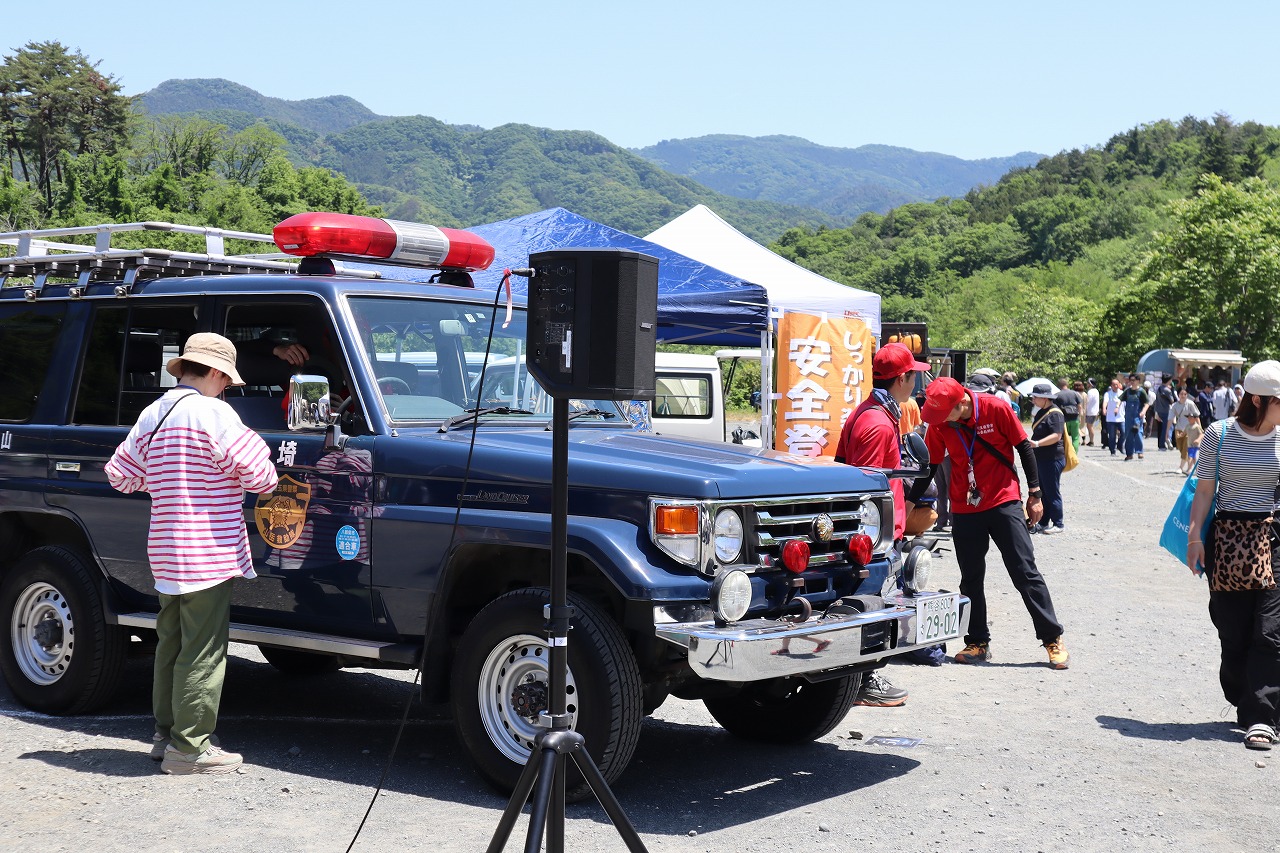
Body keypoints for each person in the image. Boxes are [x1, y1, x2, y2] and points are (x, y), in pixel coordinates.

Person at [105, 333, 280, 774]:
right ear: (217, 373)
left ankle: (166, 736)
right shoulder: (215, 413)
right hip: (208, 550)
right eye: (227, 381)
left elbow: (120, 475)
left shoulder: (154, 412)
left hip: (166, 550)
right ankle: (191, 749)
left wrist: (167, 481)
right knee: (203, 649)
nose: (226, 389)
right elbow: (262, 477)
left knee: (172, 643)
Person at [906, 377, 1069, 669]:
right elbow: (930, 466)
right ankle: (978, 642)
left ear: (961, 403)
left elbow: (1024, 447)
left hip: (1003, 501)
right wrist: (908, 505)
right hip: (965, 507)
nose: (937, 420)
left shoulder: (996, 408)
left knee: (1024, 571)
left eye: (942, 413)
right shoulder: (941, 424)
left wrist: (1035, 495)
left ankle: (1052, 639)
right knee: (970, 577)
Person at [1186, 360, 1280, 751]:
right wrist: (1195, 537)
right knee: (1233, 631)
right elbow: (1205, 490)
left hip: (1273, 537)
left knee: (1270, 631)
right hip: (1227, 538)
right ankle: (1246, 699)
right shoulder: (1219, 433)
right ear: (1257, 399)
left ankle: (1262, 717)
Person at [833, 342, 930, 707]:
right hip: (876, 537)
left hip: (879, 534)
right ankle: (863, 680)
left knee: (872, 602)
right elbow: (868, 490)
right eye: (913, 375)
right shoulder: (876, 421)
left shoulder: (874, 412)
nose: (916, 382)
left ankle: (858, 678)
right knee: (872, 603)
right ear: (901, 378)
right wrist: (877, 539)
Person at [1028, 384, 1067, 534]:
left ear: (1045, 398)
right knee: (1043, 491)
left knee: (1052, 491)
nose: (1033, 400)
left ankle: (1058, 523)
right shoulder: (1041, 412)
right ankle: (1044, 522)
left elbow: (1056, 436)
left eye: (1035, 397)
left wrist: (1037, 443)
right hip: (1042, 458)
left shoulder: (1055, 413)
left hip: (1052, 458)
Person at [1168, 387, 1201, 475]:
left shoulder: (1190, 404)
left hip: (1190, 429)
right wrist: (1167, 432)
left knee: (1186, 449)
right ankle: (1195, 468)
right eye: (1181, 394)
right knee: (1181, 448)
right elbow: (1170, 419)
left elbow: (1197, 416)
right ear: (1178, 395)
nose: (1183, 396)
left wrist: (1199, 428)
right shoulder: (1175, 405)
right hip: (1178, 428)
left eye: (1185, 394)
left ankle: (1181, 467)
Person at [1121, 374, 1150, 460]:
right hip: (1128, 417)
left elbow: (1147, 403)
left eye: (1134, 380)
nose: (1132, 382)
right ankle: (1129, 454)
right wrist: (1117, 407)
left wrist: (1143, 411)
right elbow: (1120, 399)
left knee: (1138, 433)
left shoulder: (1141, 391)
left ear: (1138, 381)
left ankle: (1139, 451)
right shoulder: (1127, 391)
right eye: (1131, 380)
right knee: (1128, 434)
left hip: (1137, 416)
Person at [1055, 378, 1083, 452]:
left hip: (1064, 420)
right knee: (1075, 438)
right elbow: (1080, 406)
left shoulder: (1057, 395)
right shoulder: (1075, 393)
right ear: (1067, 384)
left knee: (1064, 438)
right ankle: (1074, 453)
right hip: (1075, 418)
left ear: (1058, 386)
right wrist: (1080, 417)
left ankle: (1066, 454)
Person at [1102, 378, 1125, 456]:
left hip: (1121, 417)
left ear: (1119, 385)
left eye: (1117, 384)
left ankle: (1120, 445)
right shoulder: (1108, 394)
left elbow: (1121, 401)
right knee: (1112, 436)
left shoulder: (1122, 393)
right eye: (1114, 385)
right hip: (1111, 418)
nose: (1116, 386)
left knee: (1124, 432)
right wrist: (1104, 408)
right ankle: (1112, 451)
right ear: (1111, 385)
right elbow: (1105, 402)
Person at [1152, 380, 1176, 451]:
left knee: (1162, 428)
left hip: (1159, 410)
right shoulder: (1168, 391)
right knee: (1169, 427)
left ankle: (1161, 444)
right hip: (1167, 410)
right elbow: (1172, 400)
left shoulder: (1159, 389)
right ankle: (1167, 439)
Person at [1083, 378, 1100, 447]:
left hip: (1090, 411)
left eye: (1088, 383)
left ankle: (1092, 441)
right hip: (1094, 411)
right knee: (1089, 426)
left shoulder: (1090, 392)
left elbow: (1087, 401)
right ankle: (1091, 440)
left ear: (1090, 384)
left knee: (1090, 427)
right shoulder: (1096, 391)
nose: (1087, 384)